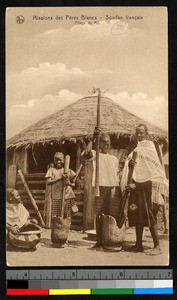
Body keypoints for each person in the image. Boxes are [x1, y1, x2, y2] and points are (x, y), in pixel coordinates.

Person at [121, 124, 168, 255]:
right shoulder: (136, 148)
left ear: (146, 133)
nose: (139, 135)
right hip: (135, 186)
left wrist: (136, 185)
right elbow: (136, 169)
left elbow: (150, 171)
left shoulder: (149, 147)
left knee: (148, 214)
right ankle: (138, 244)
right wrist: (131, 166)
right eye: (137, 132)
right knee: (136, 213)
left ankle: (157, 245)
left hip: (146, 187)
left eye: (142, 132)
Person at [82, 132, 120, 248]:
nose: (106, 144)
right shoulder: (95, 154)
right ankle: (99, 241)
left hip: (113, 187)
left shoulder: (114, 159)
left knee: (111, 214)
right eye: (103, 142)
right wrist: (93, 139)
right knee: (99, 214)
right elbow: (86, 153)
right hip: (100, 187)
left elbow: (117, 174)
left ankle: (110, 239)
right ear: (99, 144)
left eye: (108, 142)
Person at [45, 152, 77, 219]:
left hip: (68, 195)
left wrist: (69, 183)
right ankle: (59, 228)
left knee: (68, 214)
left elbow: (74, 184)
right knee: (57, 215)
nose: (58, 162)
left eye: (60, 160)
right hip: (56, 195)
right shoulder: (51, 170)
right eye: (56, 160)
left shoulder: (68, 171)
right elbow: (48, 182)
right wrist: (60, 178)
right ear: (54, 161)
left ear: (63, 161)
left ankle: (67, 226)